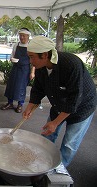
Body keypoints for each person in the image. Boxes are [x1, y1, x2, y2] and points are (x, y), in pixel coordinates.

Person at [23, 35, 97, 167]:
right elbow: (38, 89)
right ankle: (41, 163)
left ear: (45, 55)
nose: (30, 61)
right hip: (58, 103)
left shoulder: (71, 64)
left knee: (69, 144)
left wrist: (55, 123)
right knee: (46, 136)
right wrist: (30, 107)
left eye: (31, 56)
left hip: (82, 107)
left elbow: (75, 99)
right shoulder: (40, 67)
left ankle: (59, 171)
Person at [0, 28, 35, 113]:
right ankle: (10, 103)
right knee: (11, 85)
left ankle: (20, 104)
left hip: (24, 69)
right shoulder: (16, 45)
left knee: (21, 87)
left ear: (28, 36)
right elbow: (12, 55)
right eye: (20, 35)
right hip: (15, 67)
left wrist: (32, 72)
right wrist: (12, 59)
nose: (22, 37)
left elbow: (33, 61)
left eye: (23, 36)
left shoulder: (31, 46)